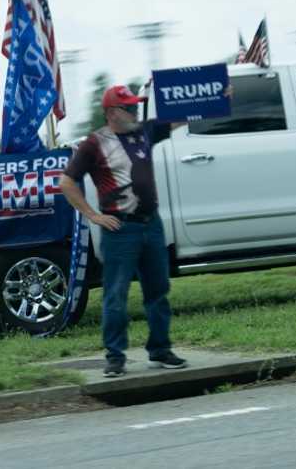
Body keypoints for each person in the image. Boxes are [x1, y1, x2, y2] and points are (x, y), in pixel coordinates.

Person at [59, 84, 186, 378]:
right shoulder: (94, 143)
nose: (134, 111)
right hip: (120, 229)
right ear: (113, 112)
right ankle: (115, 357)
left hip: (151, 224)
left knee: (158, 291)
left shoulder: (146, 131)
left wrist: (217, 95)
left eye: (134, 106)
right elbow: (67, 182)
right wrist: (93, 215)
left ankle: (160, 349)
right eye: (128, 107)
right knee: (115, 295)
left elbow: (184, 118)